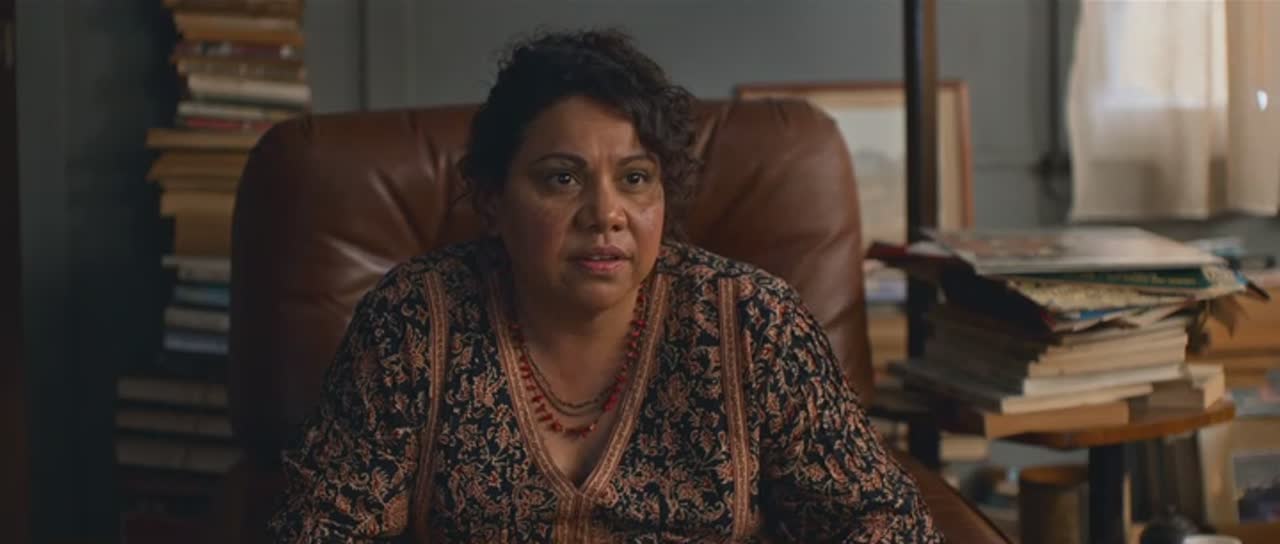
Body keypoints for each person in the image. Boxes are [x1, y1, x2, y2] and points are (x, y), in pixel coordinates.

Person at [267, 28, 942, 542]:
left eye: (635, 178)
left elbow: (886, 521)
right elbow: (318, 527)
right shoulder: (417, 320)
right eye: (561, 178)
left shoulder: (752, 324)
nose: (606, 213)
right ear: (494, 200)